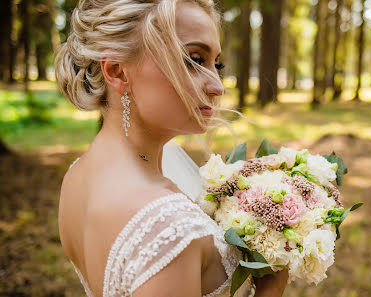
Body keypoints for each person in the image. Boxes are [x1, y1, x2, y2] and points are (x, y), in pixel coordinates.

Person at [55, 0, 289, 296]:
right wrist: (271, 288)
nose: (218, 86)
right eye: (194, 59)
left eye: (216, 64)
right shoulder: (165, 225)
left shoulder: (78, 176)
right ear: (117, 72)